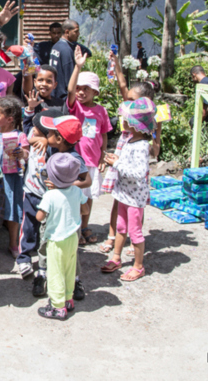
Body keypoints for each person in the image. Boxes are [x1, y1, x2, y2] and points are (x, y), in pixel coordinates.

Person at [19, 111, 90, 300]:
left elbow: (87, 180)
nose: (45, 136)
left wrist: (65, 184)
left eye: (48, 134)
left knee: (69, 249)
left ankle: (74, 280)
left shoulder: (73, 158)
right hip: (48, 203)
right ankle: (42, 275)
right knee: (45, 242)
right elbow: (28, 134)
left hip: (65, 209)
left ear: (58, 138)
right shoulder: (53, 147)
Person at [100, 54, 163, 254]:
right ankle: (113, 236)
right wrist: (116, 63)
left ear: (146, 102)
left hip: (137, 160)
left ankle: (135, 238)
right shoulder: (128, 108)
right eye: (128, 99)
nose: (128, 102)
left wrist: (154, 150)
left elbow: (156, 142)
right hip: (122, 153)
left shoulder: (153, 116)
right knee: (117, 199)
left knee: (136, 202)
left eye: (132, 100)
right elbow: (122, 84)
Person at [100, 98, 156, 282]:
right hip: (124, 193)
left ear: (134, 123)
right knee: (121, 227)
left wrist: (116, 163)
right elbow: (127, 164)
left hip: (134, 197)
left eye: (126, 118)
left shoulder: (141, 146)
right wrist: (117, 159)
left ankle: (138, 266)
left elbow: (139, 173)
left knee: (135, 231)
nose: (122, 121)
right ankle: (116, 257)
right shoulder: (130, 140)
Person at [67, 46, 112, 246]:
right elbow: (69, 91)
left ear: (95, 91)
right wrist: (77, 68)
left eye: (86, 88)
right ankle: (75, 227)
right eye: (79, 88)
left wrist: (103, 155)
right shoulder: (74, 107)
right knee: (75, 195)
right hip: (76, 162)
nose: (81, 92)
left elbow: (103, 134)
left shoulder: (101, 111)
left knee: (89, 196)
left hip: (92, 162)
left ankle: (85, 226)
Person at [36, 152, 87, 320]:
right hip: (73, 237)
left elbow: (39, 217)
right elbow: (85, 210)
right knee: (69, 269)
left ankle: (58, 307)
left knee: (56, 272)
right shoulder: (76, 191)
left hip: (56, 240)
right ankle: (68, 299)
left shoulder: (50, 195)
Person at [0, 96, 29, 263]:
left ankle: (14, 244)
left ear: (9, 119)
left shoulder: (19, 135)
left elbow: (26, 154)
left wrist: (22, 154)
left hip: (12, 180)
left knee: (13, 213)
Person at [49, 19, 92, 108]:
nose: (78, 34)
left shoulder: (56, 46)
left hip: (54, 93)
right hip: (63, 97)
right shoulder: (66, 50)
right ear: (67, 32)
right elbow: (70, 79)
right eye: (76, 31)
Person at [23, 65, 61, 135]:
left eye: (49, 81)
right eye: (40, 80)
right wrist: (28, 62)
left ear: (55, 85)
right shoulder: (32, 98)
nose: (44, 84)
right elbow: (27, 79)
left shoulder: (61, 104)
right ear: (34, 82)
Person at [190, 65, 208, 130]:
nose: (193, 80)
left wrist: (196, 125)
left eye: (192, 78)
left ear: (194, 75)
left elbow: (206, 107)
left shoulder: (204, 83)